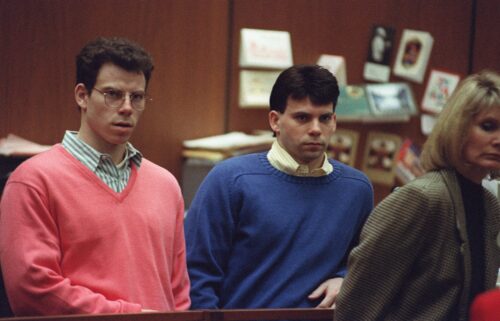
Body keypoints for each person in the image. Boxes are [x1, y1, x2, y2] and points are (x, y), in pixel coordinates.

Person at [0, 37, 190, 315]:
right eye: (113, 94)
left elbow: (178, 293)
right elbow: (33, 288)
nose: (127, 107)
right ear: (82, 95)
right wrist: (130, 315)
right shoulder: (33, 180)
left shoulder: (166, 184)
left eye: (136, 97)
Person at [185, 64, 374, 309]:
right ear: (275, 121)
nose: (316, 129)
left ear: (335, 121)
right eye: (302, 117)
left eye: (324, 118)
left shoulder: (357, 189)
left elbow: (369, 265)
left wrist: (345, 279)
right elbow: (196, 275)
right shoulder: (230, 179)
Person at [334, 70, 500, 321]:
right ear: (458, 128)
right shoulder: (421, 199)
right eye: (488, 126)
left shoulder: (490, 206)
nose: (498, 139)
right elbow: (356, 306)